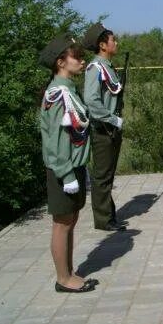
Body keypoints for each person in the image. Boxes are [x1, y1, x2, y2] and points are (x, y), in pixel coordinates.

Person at [39, 33, 98, 293]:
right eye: (76, 56)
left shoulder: (68, 90)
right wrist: (66, 173)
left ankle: (69, 272)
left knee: (70, 220)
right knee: (62, 223)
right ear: (60, 62)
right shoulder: (57, 94)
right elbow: (54, 141)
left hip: (73, 166)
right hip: (63, 169)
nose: (81, 60)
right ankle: (63, 279)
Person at [82, 22, 126, 232]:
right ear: (102, 45)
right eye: (112, 40)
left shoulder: (107, 67)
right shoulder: (95, 68)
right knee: (101, 176)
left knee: (108, 175)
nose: (115, 43)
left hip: (112, 129)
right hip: (103, 130)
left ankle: (109, 214)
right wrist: (110, 118)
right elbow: (91, 100)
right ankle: (103, 219)